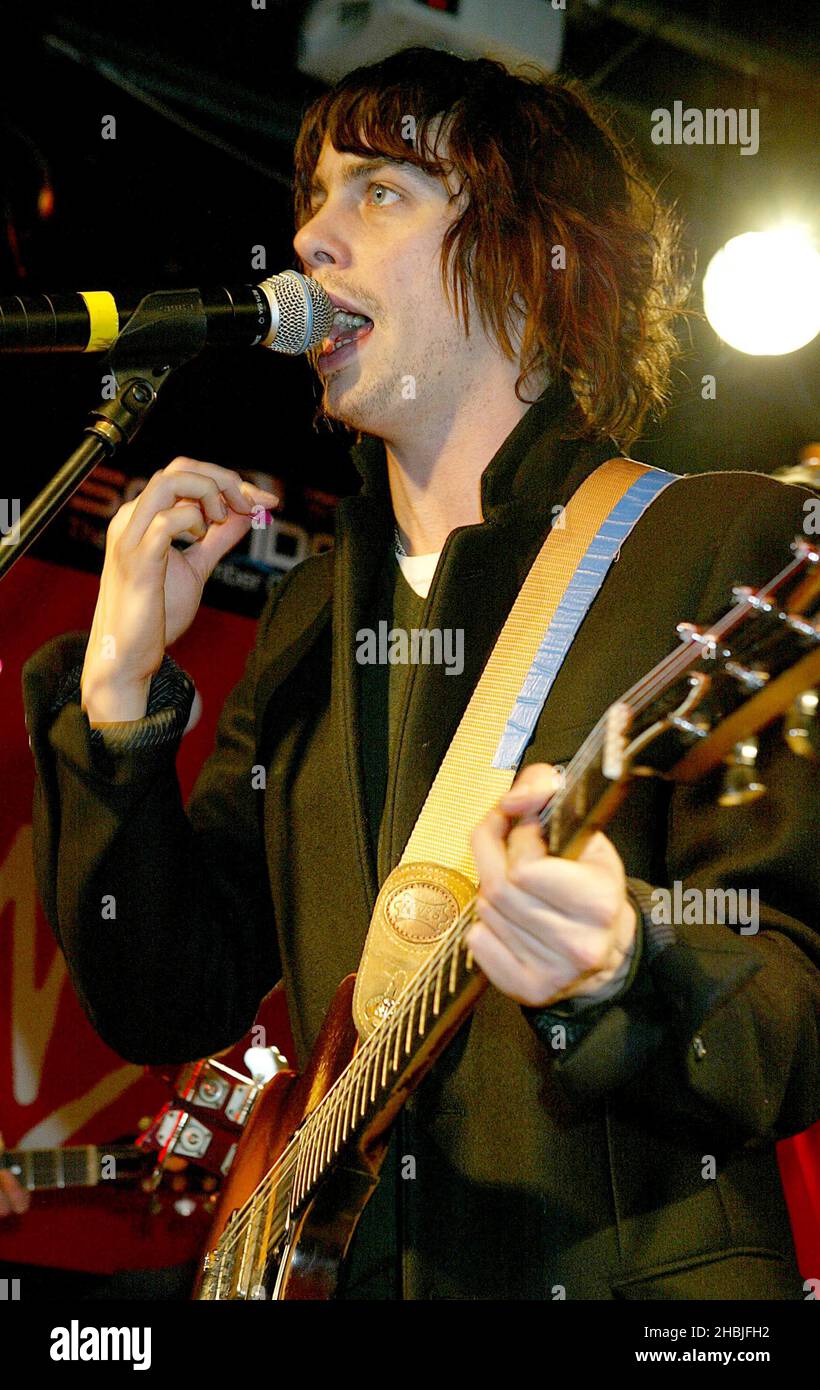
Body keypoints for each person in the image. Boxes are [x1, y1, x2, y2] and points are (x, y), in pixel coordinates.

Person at [22, 48, 819, 1299]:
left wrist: (627, 967)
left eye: (378, 191)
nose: (309, 239)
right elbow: (164, 996)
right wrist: (118, 704)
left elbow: (789, 1001)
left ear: (530, 253)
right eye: (312, 198)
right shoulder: (306, 617)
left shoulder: (721, 544)